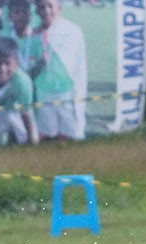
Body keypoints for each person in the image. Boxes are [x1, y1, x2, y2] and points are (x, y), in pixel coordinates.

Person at [30, 0, 85, 140]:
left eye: (50, 6)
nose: (46, 11)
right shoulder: (33, 34)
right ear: (36, 10)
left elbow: (77, 64)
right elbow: (30, 67)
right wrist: (40, 63)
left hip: (66, 90)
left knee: (71, 132)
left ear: (59, 8)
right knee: (48, 131)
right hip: (44, 91)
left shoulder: (71, 31)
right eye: (42, 7)